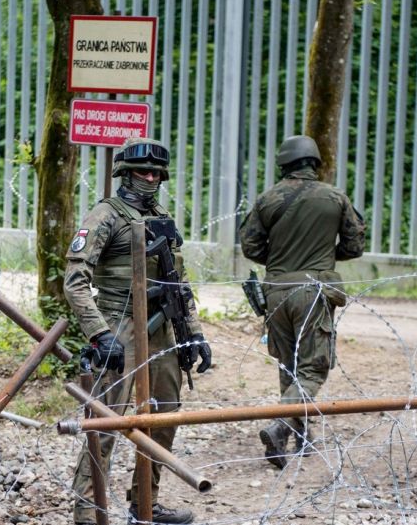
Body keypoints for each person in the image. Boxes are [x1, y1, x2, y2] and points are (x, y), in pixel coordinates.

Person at [64, 137, 212, 525]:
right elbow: (75, 281)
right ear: (124, 175)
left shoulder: (161, 215)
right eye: (142, 172)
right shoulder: (105, 216)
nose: (150, 178)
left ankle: (145, 502)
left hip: (163, 327)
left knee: (165, 416)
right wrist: (100, 333)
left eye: (155, 173)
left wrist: (193, 333)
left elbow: (179, 283)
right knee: (107, 422)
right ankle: (88, 510)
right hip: (120, 325)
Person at [238, 135, 365, 469]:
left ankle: (300, 434)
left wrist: (280, 257)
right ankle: (282, 425)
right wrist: (323, 255)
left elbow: (250, 247)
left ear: (284, 164)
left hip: (276, 290)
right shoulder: (335, 197)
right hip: (313, 290)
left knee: (288, 362)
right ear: (314, 163)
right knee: (313, 367)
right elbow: (354, 245)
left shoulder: (268, 199)